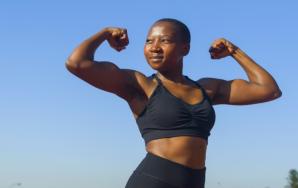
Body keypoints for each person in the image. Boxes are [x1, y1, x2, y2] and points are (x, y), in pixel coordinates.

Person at [65, 18, 282, 188]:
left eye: (165, 40)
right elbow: (77, 63)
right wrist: (104, 34)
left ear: (184, 49)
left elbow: (269, 90)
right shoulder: (139, 85)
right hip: (152, 181)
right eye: (149, 41)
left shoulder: (206, 89)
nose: (154, 47)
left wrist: (234, 51)